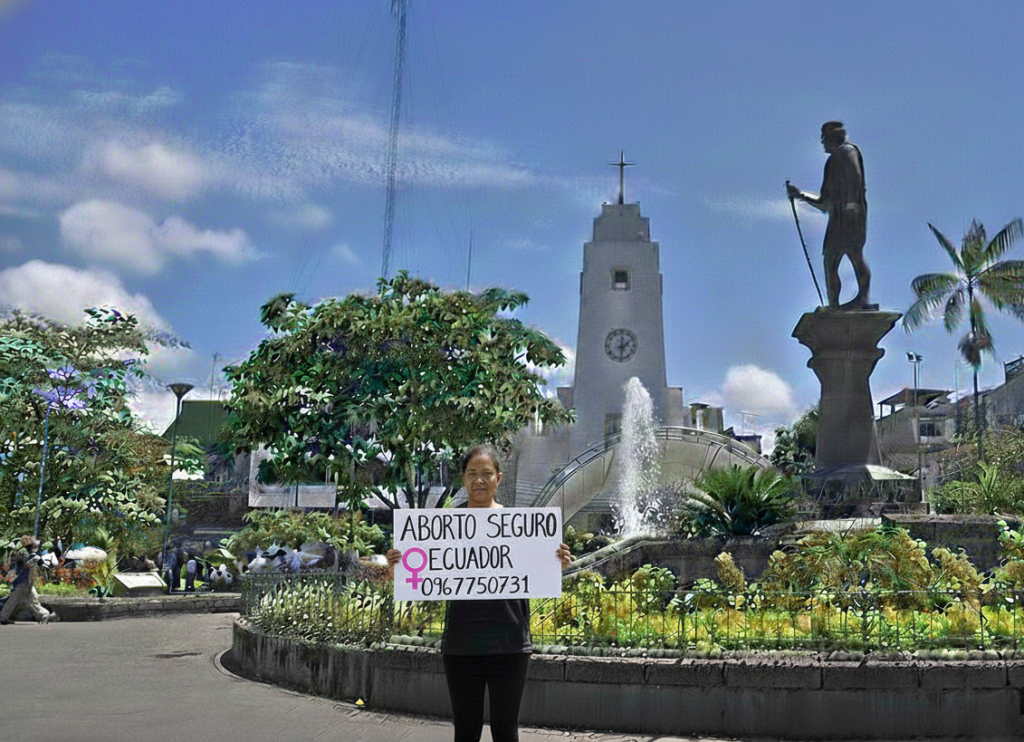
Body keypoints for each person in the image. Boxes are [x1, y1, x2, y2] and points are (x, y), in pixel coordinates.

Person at [386, 444, 573, 742]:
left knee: (505, 733)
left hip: (510, 645)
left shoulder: (521, 526)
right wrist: (400, 564)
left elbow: (537, 571)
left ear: (499, 478)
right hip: (462, 645)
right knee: (466, 733)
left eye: (486, 474)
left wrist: (556, 563)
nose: (479, 480)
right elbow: (421, 572)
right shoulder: (444, 526)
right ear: (463, 478)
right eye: (472, 473)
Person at [787, 121, 873, 310]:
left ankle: (862, 298)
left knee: (853, 255)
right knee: (831, 259)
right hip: (839, 217)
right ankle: (834, 304)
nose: (822, 143)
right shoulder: (833, 160)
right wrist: (800, 195)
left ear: (833, 138)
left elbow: (856, 179)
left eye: (824, 139)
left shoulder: (847, 151)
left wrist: (851, 205)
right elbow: (825, 203)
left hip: (850, 214)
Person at [0, 536, 54, 625]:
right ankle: (43, 615)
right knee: (19, 599)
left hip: (24, 581)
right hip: (23, 581)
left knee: (30, 599)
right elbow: (26, 565)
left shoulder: (23, 553)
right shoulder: (26, 553)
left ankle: (43, 615)